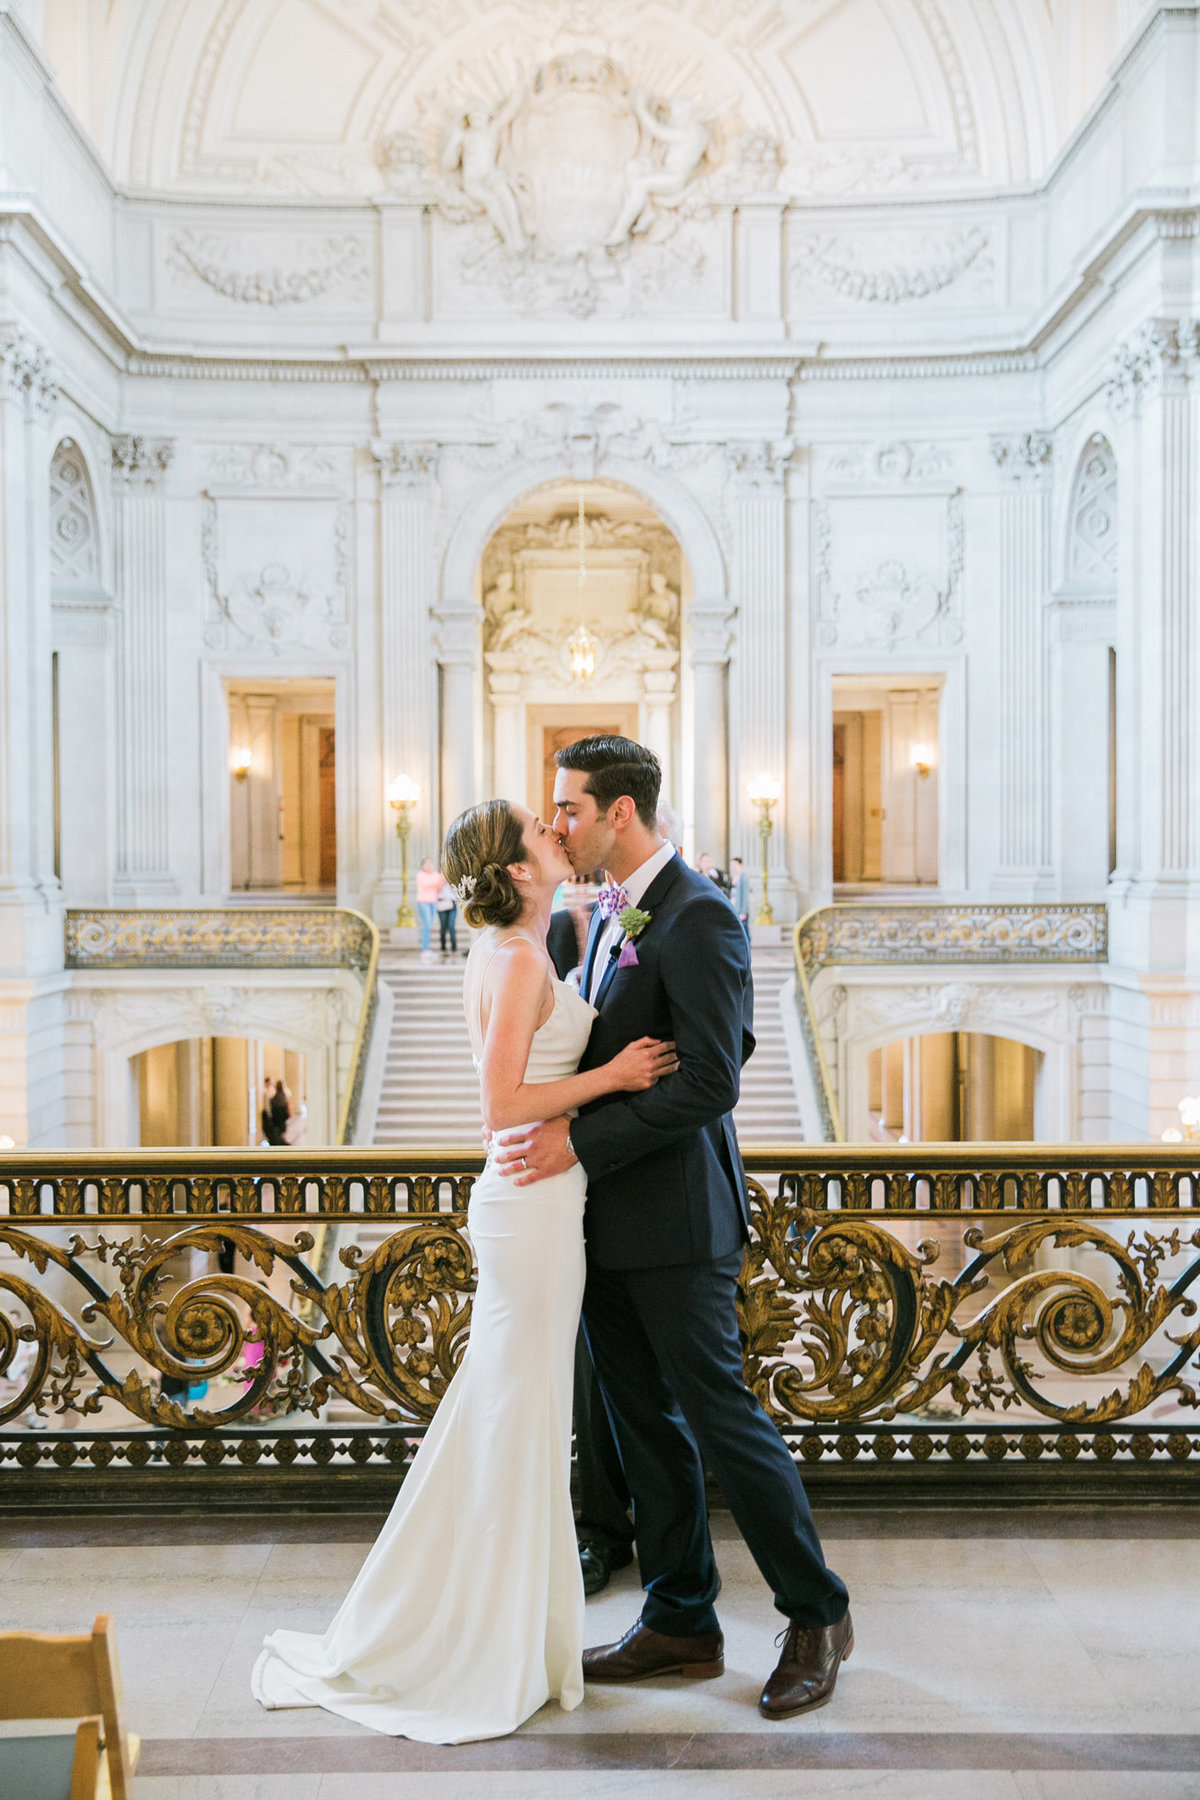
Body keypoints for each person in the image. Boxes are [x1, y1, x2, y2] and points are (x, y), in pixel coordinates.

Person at [252, 798, 678, 1743]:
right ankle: (484, 1639)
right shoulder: (520, 959)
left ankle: (503, 1627)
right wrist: (614, 1079)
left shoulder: (520, 945)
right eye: (541, 830)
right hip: (528, 1208)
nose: (557, 833)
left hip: (535, 1207)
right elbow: (502, 1106)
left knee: (510, 1415)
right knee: (517, 1416)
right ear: (520, 869)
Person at [494, 735, 852, 1722]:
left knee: (726, 1424)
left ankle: (818, 1615)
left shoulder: (698, 915)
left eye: (568, 807)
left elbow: (711, 1077)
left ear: (619, 812)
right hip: (607, 1223)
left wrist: (582, 1141)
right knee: (639, 1424)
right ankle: (682, 1616)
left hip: (680, 1221)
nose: (556, 821)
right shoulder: (611, 914)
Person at [415, 858, 441, 959]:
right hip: (423, 902)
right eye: (427, 864)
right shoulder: (420, 875)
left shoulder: (435, 875)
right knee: (426, 925)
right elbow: (427, 885)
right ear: (422, 865)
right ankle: (425, 949)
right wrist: (437, 881)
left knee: (429, 925)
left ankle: (427, 948)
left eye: (431, 863)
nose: (429, 865)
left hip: (433, 901)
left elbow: (439, 887)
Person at [436, 874, 458, 957]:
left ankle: (454, 948)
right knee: (443, 927)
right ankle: (443, 948)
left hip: (452, 903)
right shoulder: (438, 879)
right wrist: (442, 882)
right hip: (442, 904)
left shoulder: (453, 878)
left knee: (451, 926)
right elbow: (436, 891)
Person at [729, 854, 750, 938]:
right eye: (732, 865)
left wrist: (743, 911)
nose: (733, 867)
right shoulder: (732, 877)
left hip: (740, 909)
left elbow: (745, 895)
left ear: (740, 865)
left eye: (735, 864)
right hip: (733, 906)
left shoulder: (743, 878)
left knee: (744, 931)